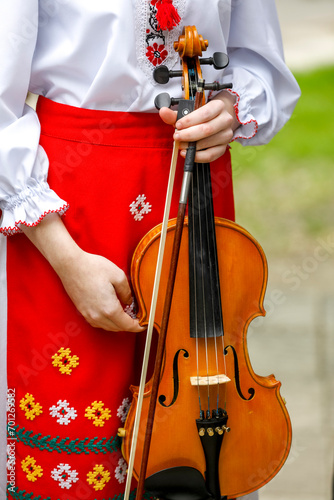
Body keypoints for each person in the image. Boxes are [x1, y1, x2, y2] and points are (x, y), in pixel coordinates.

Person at [0, 1, 300, 499]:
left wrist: (230, 108)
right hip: (73, 209)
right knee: (76, 433)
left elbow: (258, 61)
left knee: (194, 418)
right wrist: (67, 258)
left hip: (196, 182)